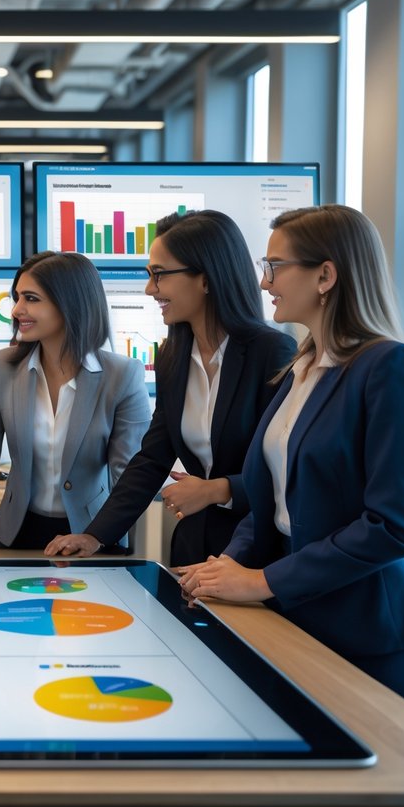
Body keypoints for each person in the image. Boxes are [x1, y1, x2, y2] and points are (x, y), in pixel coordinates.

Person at [177, 204, 404, 713]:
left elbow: (393, 527)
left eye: (274, 266)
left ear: (325, 275)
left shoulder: (392, 367)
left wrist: (260, 581)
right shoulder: (302, 368)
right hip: (292, 617)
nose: (263, 282)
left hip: (365, 633)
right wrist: (228, 564)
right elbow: (270, 501)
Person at [44, 210, 295, 565]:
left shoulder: (272, 353)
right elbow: (153, 457)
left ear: (206, 279)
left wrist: (218, 491)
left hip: (256, 554)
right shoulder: (173, 357)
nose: (150, 289)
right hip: (194, 549)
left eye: (159, 275)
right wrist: (94, 535)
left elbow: (285, 467)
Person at [0, 251, 150, 556]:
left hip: (93, 536)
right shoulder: (5, 366)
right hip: (17, 533)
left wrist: (98, 535)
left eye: (31, 298)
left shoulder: (122, 375)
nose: (16, 310)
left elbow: (129, 475)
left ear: (70, 304)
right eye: (17, 297)